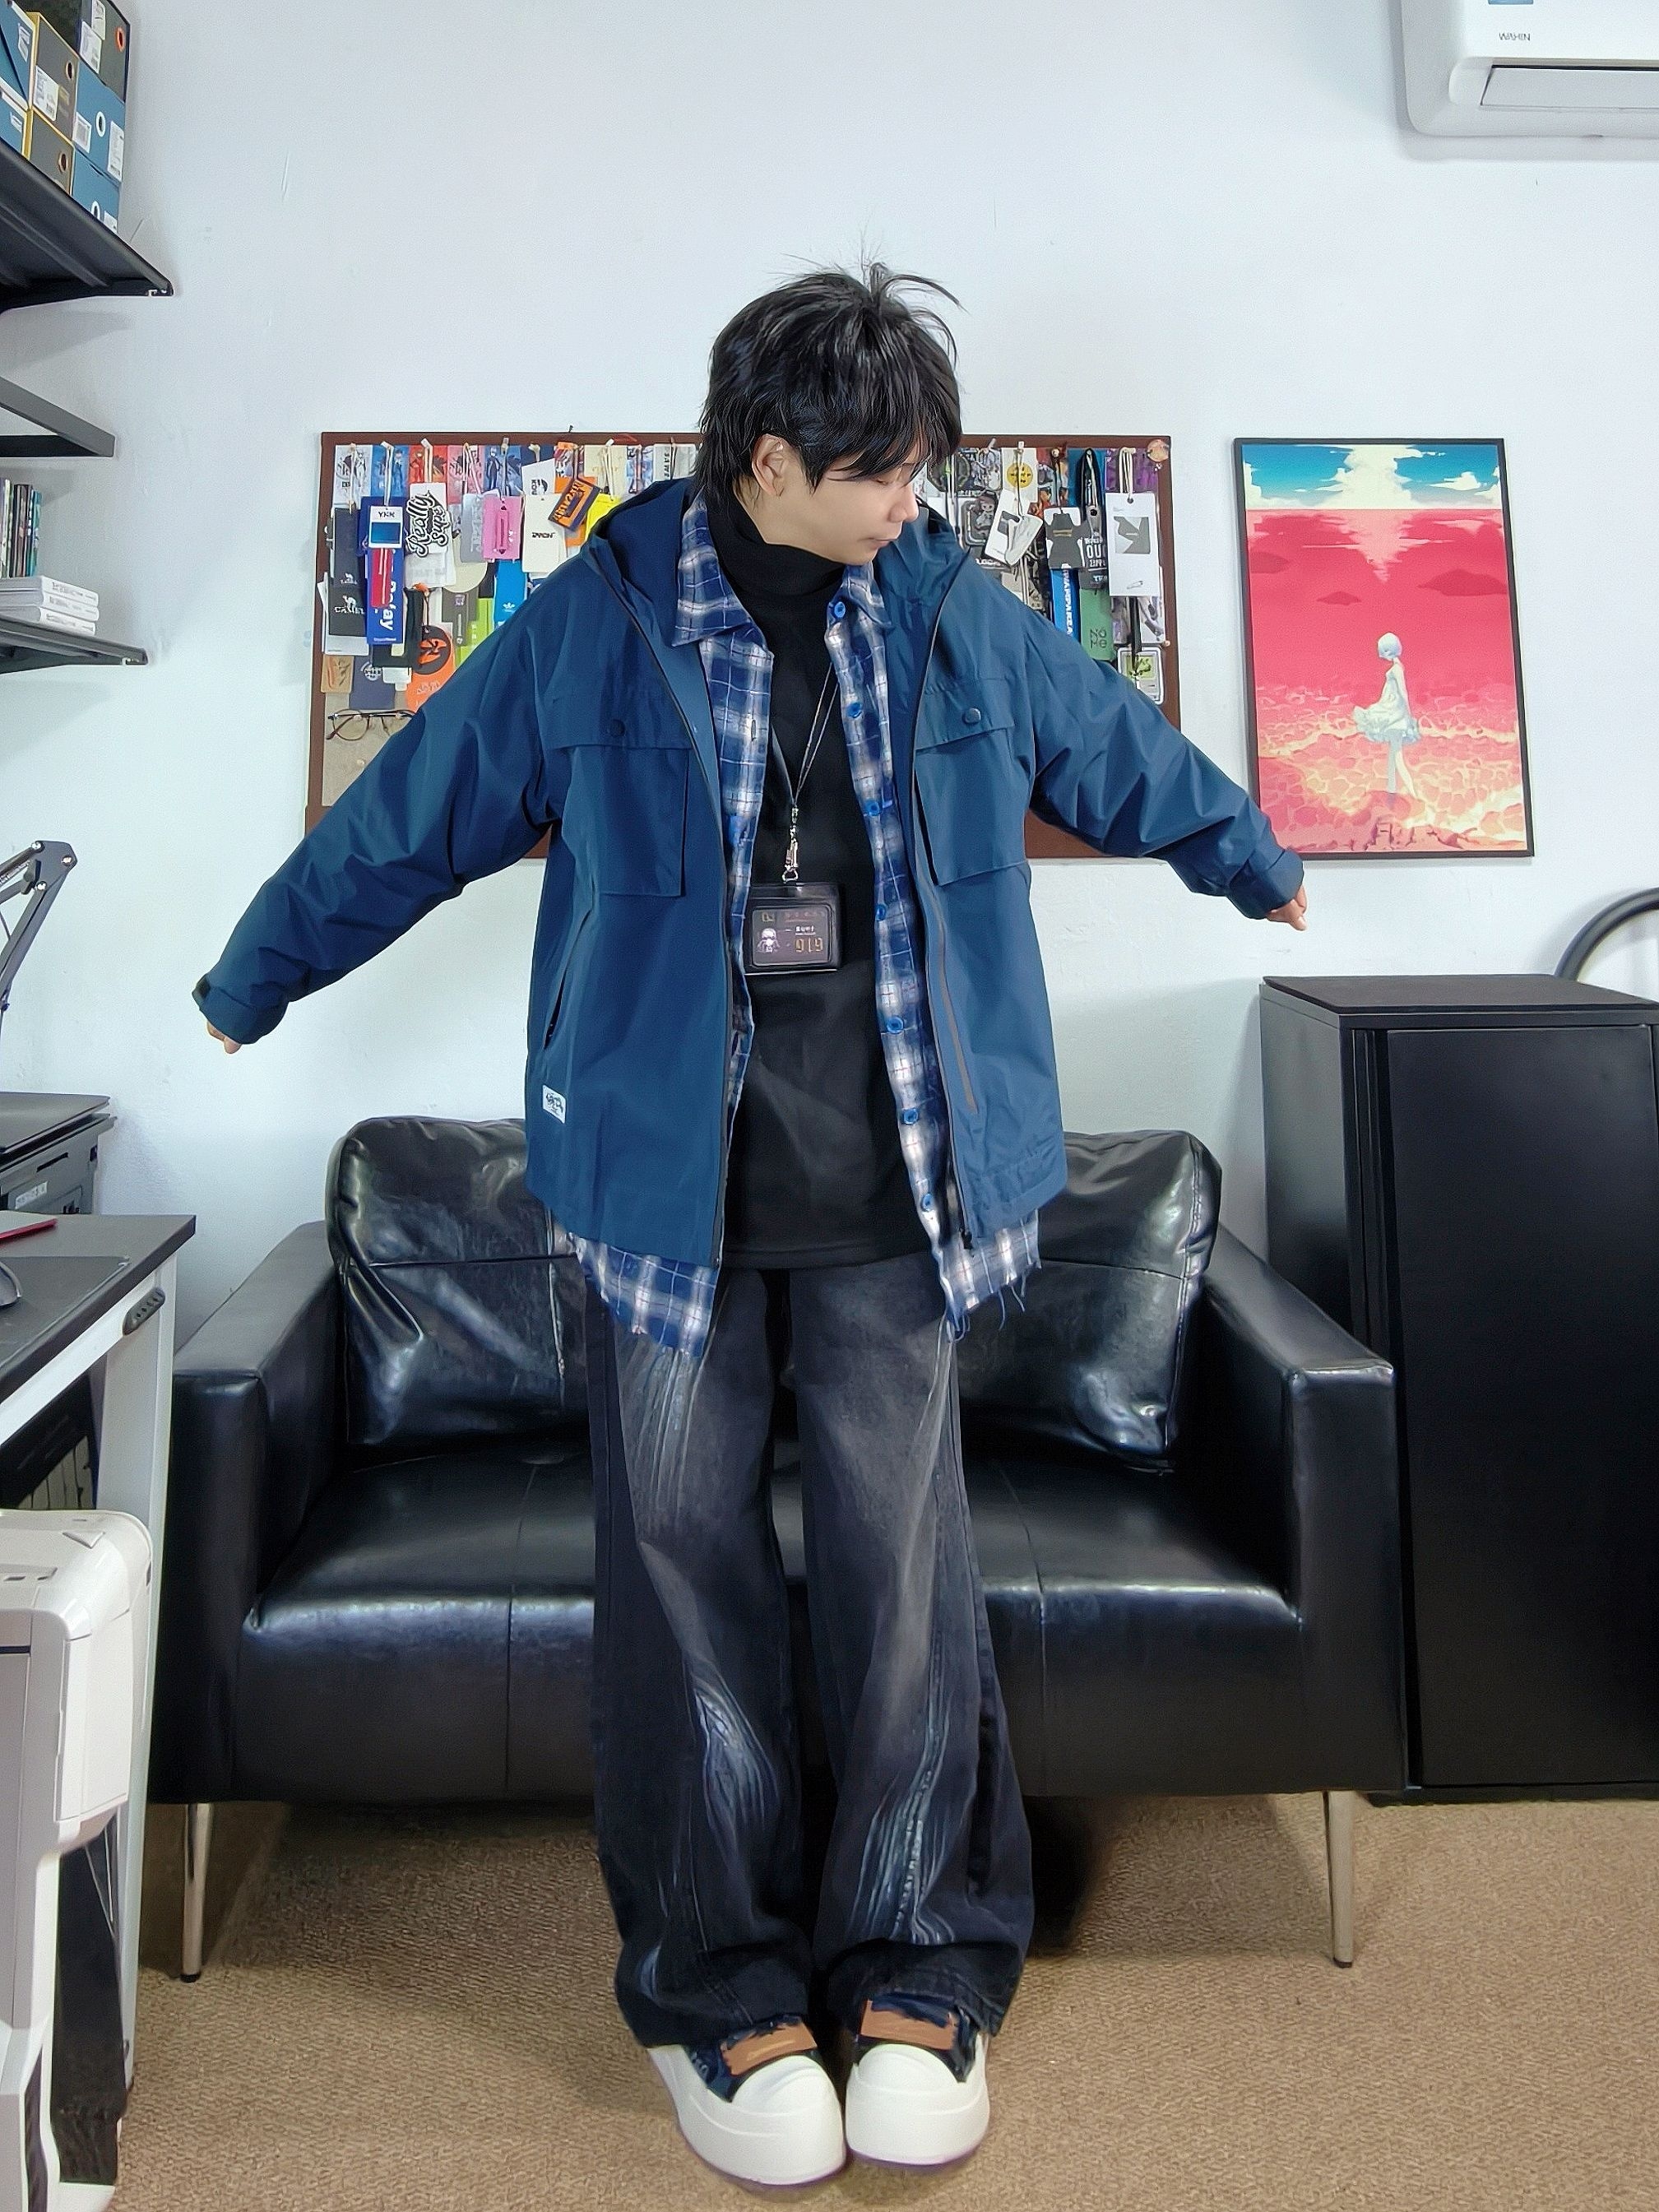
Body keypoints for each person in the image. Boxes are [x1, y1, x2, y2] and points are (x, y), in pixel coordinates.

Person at [193, 259, 1309, 2189]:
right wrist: (250, 979)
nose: (908, 499)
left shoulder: (945, 610)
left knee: (903, 1587)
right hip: (664, 1208)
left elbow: (1114, 744)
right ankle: (721, 1987)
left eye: (919, 467)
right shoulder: (598, 622)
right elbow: (407, 817)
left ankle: (919, 1965)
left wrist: (1251, 856)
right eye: (879, 470)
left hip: (901, 1199)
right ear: (767, 460)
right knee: (680, 1585)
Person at [1353, 630, 1423, 798]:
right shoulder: (1396, 668)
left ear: (1388, 650)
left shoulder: (1396, 669)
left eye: (1382, 651)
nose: (1380, 655)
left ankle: (1414, 795)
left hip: (1395, 717)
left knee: (1398, 757)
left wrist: (1408, 715)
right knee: (1393, 756)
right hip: (1394, 714)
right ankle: (1391, 791)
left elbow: (1403, 692)